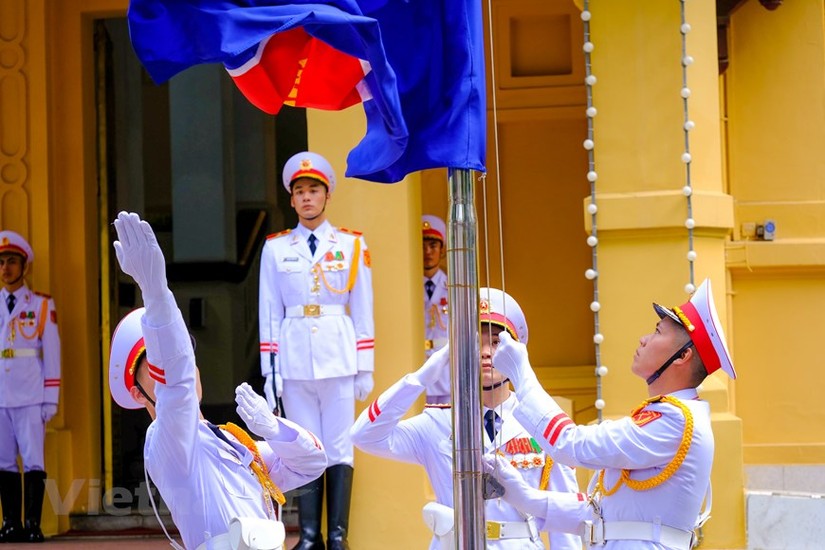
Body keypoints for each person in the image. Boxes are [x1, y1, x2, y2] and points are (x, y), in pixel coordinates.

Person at [109, 211, 327, 550]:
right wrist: (156, 294)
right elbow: (176, 384)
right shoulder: (165, 444)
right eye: (153, 368)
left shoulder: (233, 442)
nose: (184, 369)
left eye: (188, 359)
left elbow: (312, 462)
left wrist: (273, 429)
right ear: (139, 394)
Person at [488, 278, 737, 549]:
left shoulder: (675, 420)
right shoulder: (665, 416)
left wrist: (523, 376)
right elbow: (598, 514)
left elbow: (570, 443)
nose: (644, 339)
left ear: (682, 356)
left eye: (657, 332)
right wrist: (526, 498)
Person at [350, 287, 581, 550]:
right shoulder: (437, 423)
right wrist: (419, 379)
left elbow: (565, 520)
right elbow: (363, 436)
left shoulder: (541, 422)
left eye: (495, 342)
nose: (485, 352)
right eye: (473, 342)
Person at [258, 152, 374, 550]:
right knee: (305, 446)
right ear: (291, 200)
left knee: (339, 446)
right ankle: (309, 536)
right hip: (292, 361)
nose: (307, 198)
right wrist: (269, 370)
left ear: (327, 196)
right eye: (300, 192)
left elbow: (362, 309)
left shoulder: (351, 245)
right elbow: (269, 311)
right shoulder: (275, 249)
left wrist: (365, 365)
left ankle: (338, 537)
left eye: (314, 191)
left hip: (339, 357)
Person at [0, 230, 60, 543]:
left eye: (12, 261)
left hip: (31, 394)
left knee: (34, 460)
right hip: (0, 396)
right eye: (1, 262)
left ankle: (33, 524)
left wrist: (51, 397)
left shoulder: (39, 305)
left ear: (25, 266)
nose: (6, 268)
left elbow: (52, 352)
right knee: (3, 460)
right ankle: (11, 523)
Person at [421, 214, 450, 404]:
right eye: (422, 246)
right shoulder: (407, 285)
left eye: (433, 246)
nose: (427, 252)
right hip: (419, 361)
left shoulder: (453, 287)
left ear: (442, 250)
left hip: (446, 366)